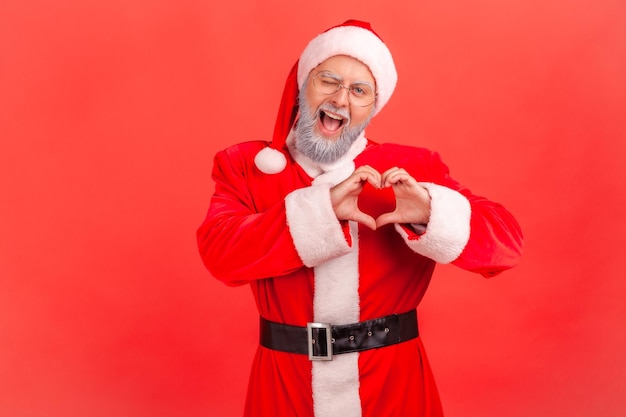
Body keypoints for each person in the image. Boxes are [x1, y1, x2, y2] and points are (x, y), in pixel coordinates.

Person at [197, 19, 523, 417]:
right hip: (285, 384)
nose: (340, 99)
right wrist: (323, 210)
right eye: (328, 80)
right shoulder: (246, 165)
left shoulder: (413, 169)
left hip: (393, 384)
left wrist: (429, 212)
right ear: (303, 86)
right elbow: (220, 253)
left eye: (359, 90)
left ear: (372, 106)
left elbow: (505, 247)